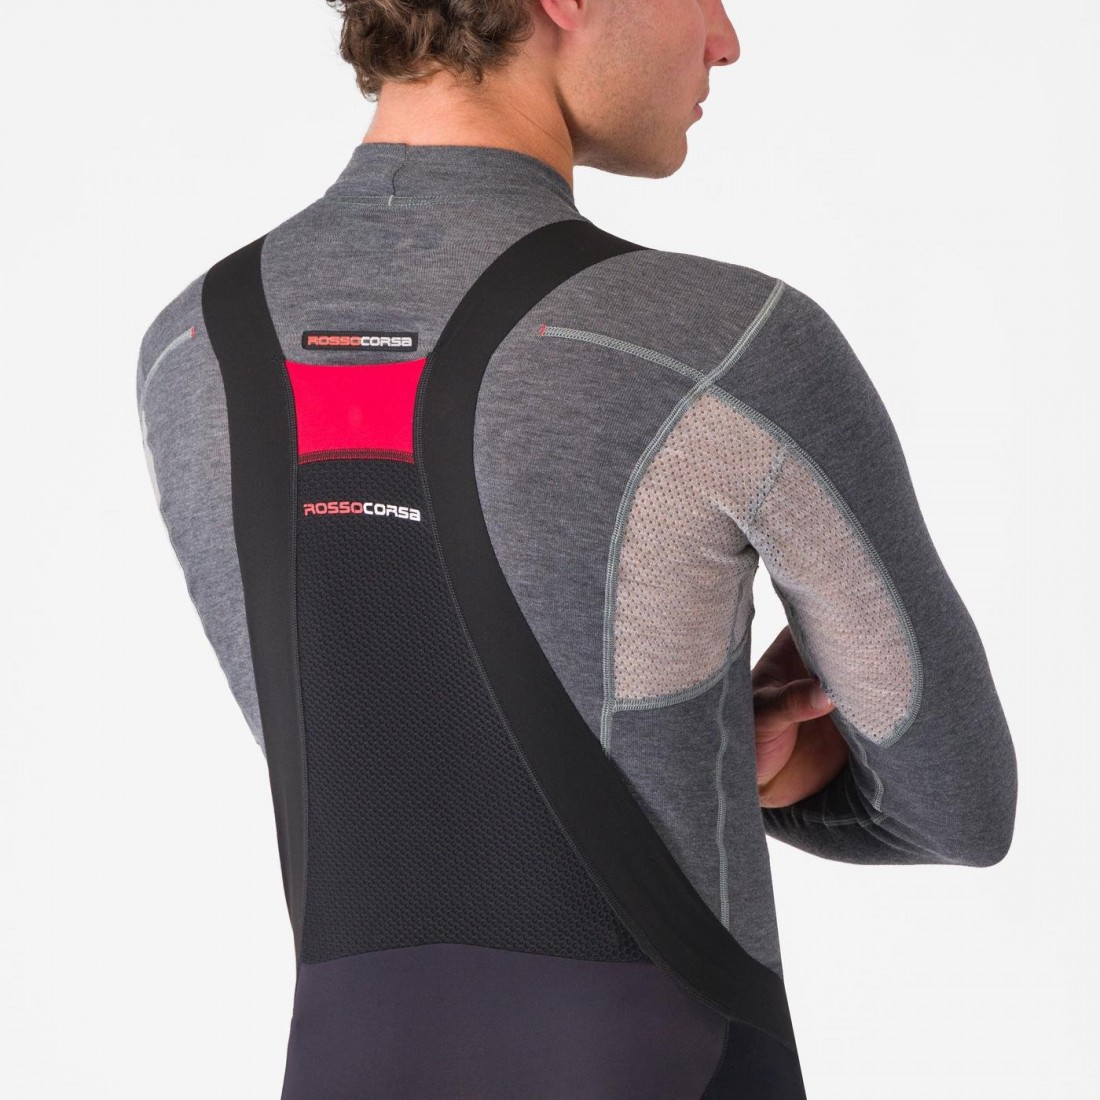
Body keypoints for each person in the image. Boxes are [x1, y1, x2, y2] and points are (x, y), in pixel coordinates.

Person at [134, 1, 1018, 1096]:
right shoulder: (719, 346)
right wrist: (768, 767)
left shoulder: (191, 347)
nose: (725, 37)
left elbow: (402, 757)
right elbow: (956, 804)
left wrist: (693, 754)